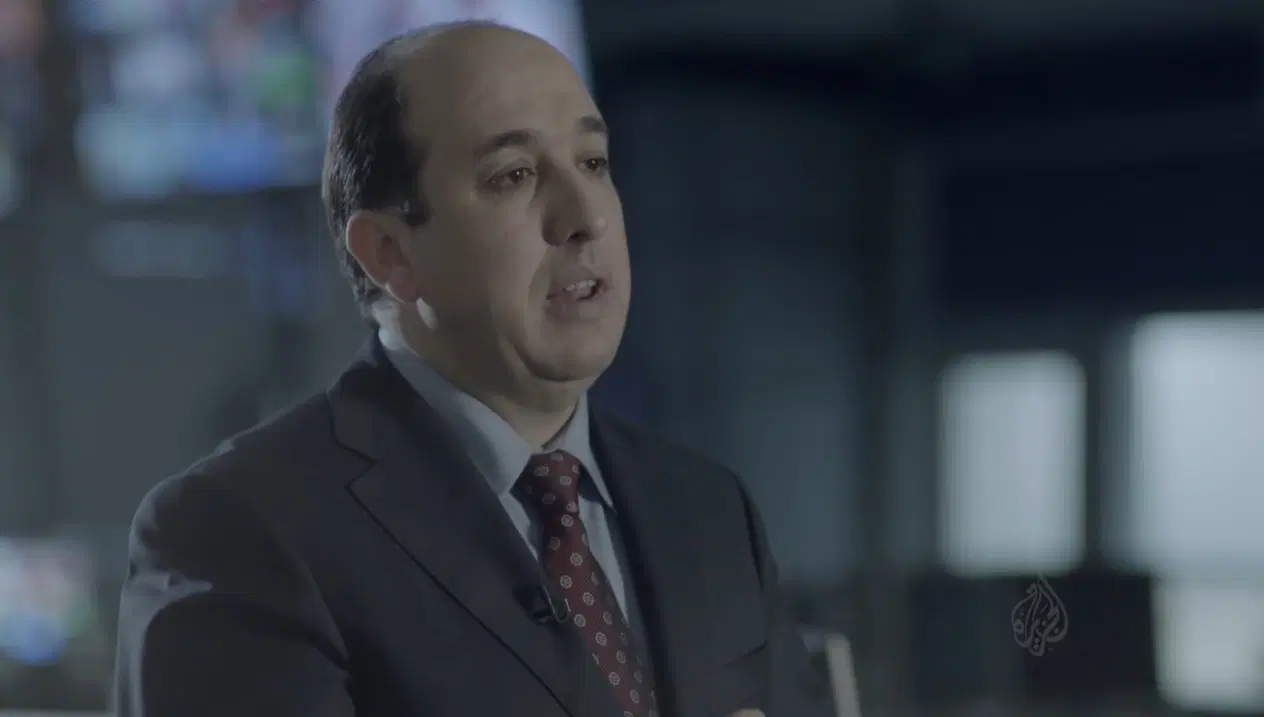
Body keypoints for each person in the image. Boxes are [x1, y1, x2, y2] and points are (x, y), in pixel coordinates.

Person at [113, 21, 830, 717]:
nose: (585, 216)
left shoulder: (711, 510)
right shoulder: (239, 531)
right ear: (391, 253)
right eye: (514, 174)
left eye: (592, 162)